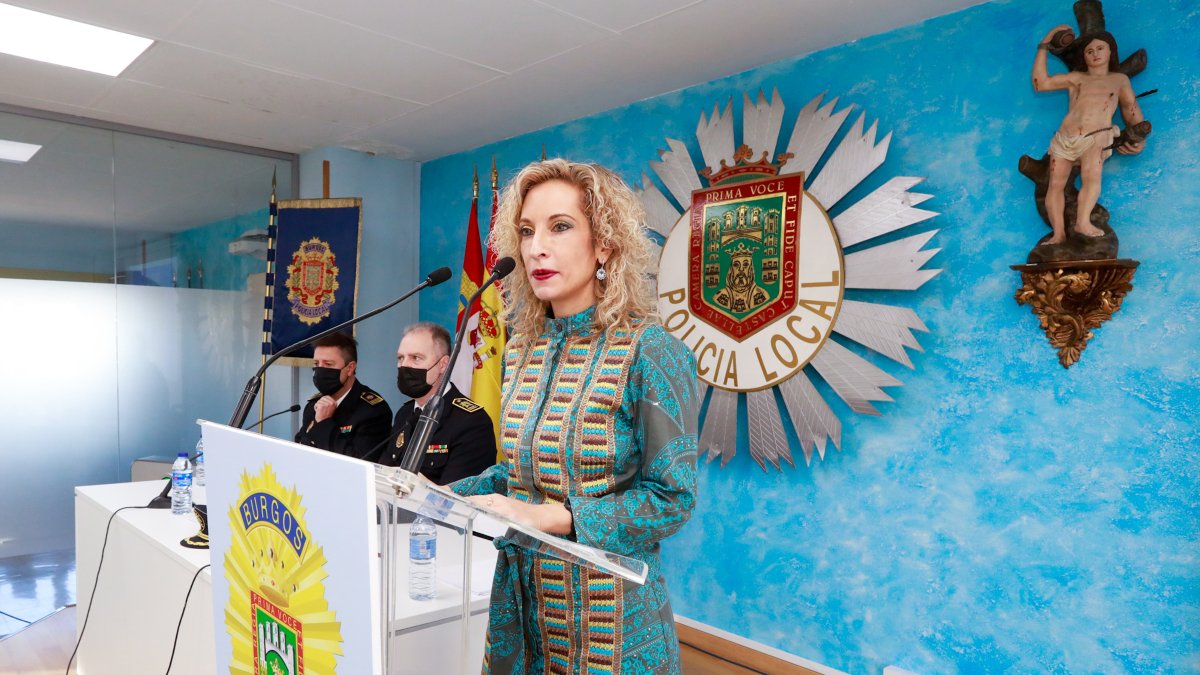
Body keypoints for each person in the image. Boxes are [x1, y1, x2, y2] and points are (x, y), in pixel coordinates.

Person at [448, 159, 699, 674]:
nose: (535, 246)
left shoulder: (651, 351)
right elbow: (522, 475)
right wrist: (446, 495)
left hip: (613, 631)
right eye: (525, 231)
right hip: (523, 618)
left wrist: (553, 517)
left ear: (604, 243)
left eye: (560, 227)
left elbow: (671, 500)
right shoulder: (521, 348)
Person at [1032, 25, 1145, 245]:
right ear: (1084, 56)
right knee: (1055, 185)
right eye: (1089, 51)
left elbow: (1131, 111)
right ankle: (1058, 234)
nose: (1095, 54)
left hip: (1096, 137)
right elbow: (1040, 83)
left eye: (1100, 48)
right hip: (1065, 138)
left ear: (1110, 51)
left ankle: (1083, 222)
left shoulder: (1119, 80)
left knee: (1092, 178)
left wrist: (1138, 138)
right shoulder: (1077, 78)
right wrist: (1044, 45)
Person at [365, 322, 497, 484]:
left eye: (416, 358)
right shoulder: (405, 414)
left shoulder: (471, 422)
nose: (404, 365)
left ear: (442, 365)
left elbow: (458, 498)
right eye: (400, 358)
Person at [294, 332, 392, 457]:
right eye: (316, 364)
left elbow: (359, 462)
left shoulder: (373, 411)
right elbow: (300, 448)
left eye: (328, 364)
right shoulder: (313, 405)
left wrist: (324, 423)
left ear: (350, 368)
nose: (320, 370)